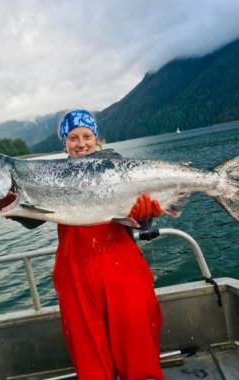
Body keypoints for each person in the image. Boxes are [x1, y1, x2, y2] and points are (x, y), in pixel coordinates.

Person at [53, 109, 164, 380]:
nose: (81, 143)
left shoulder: (121, 171)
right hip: (75, 277)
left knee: (138, 353)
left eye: (87, 136)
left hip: (123, 273)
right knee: (90, 360)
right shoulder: (53, 177)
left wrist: (145, 215)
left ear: (96, 139)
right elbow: (29, 219)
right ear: (64, 144)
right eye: (73, 137)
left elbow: (142, 225)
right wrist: (2, 195)